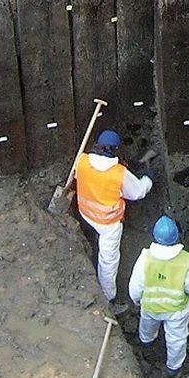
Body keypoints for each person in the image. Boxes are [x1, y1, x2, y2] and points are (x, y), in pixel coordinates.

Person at [75, 129, 151, 312]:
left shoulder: (82, 160)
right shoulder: (119, 173)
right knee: (108, 260)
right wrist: (149, 179)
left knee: (98, 243)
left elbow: (79, 177)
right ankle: (108, 298)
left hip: (85, 213)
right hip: (108, 224)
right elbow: (137, 192)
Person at [129, 215, 189, 378]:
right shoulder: (187, 260)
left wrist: (136, 299)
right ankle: (174, 367)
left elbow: (136, 285)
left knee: (147, 326)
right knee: (176, 339)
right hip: (176, 310)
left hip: (151, 306)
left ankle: (146, 343)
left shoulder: (145, 258)